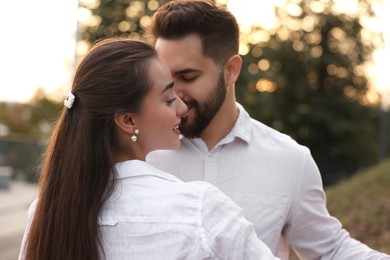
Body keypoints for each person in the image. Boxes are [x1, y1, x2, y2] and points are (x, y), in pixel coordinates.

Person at [146, 1, 390, 259]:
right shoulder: (142, 154)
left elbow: (330, 250)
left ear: (230, 71)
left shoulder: (289, 160)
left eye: (188, 77)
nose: (174, 95)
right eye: (167, 81)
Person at [18, 38, 279, 260]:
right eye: (168, 99)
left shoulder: (47, 211)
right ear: (128, 120)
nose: (182, 107)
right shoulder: (200, 209)